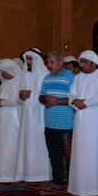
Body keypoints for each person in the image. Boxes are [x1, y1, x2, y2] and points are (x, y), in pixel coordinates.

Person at [66, 51, 98, 196]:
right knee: (80, 151)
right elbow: (71, 94)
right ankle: (80, 186)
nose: (81, 65)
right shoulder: (77, 77)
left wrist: (85, 103)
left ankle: (96, 187)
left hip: (95, 118)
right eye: (80, 62)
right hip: (80, 119)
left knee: (94, 150)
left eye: (84, 62)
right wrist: (74, 101)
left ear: (93, 62)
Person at [37, 51, 76, 186]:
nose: (49, 65)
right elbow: (41, 96)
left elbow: (73, 99)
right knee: (53, 154)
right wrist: (46, 99)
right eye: (47, 62)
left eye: (52, 62)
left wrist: (57, 101)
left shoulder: (71, 77)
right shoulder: (47, 78)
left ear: (61, 62)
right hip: (49, 123)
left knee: (68, 155)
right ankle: (57, 179)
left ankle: (72, 181)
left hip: (65, 124)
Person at [15, 48, 52, 182]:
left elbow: (45, 94)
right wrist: (21, 95)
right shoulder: (25, 75)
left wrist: (30, 94)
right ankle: (26, 173)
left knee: (38, 142)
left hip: (39, 115)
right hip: (26, 115)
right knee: (26, 142)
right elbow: (19, 97)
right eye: (27, 59)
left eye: (30, 59)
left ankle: (40, 174)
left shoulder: (44, 74)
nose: (28, 62)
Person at [0, 59, 22, 182]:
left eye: (4, 71)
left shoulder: (19, 82)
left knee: (10, 144)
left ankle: (11, 174)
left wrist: (1, 102)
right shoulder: (4, 84)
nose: (2, 74)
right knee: (0, 144)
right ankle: (0, 173)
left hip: (12, 119)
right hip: (0, 119)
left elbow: (18, 101)